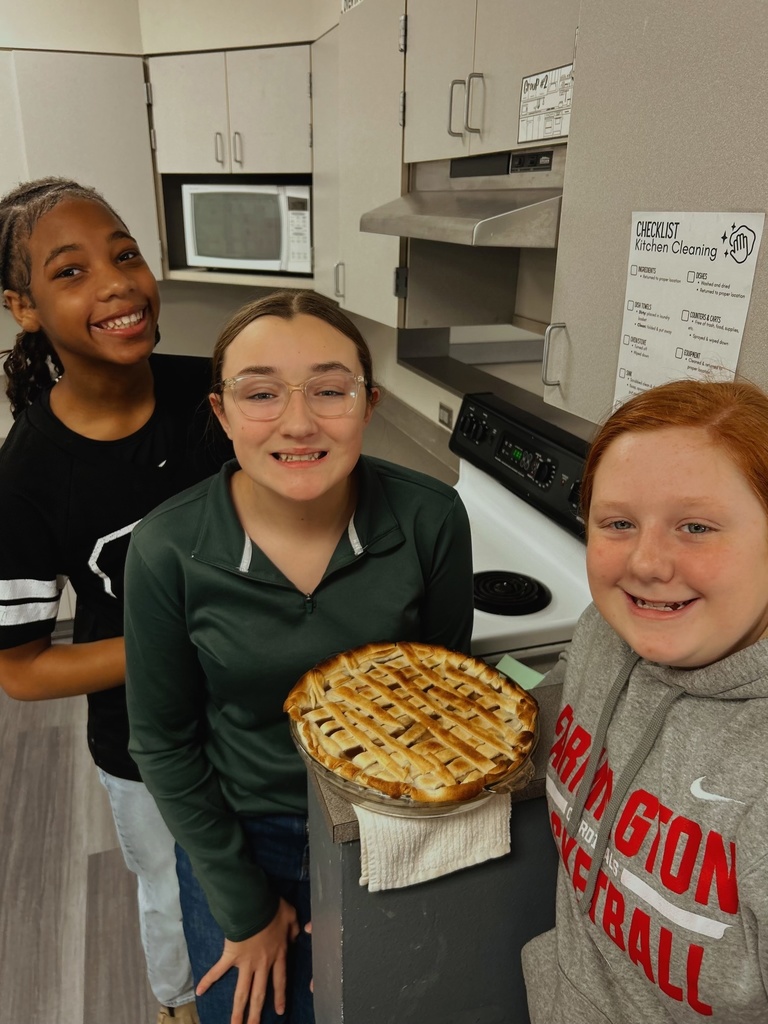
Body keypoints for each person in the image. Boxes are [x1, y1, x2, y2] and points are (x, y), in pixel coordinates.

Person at [123, 289, 475, 1024]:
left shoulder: (430, 518)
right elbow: (162, 741)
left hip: (388, 826)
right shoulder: (167, 548)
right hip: (240, 835)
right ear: (221, 412)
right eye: (261, 393)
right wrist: (245, 907)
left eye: (329, 389)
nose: (298, 421)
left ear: (368, 403)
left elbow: (444, 699)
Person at [0, 177, 232, 1024]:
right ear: (24, 308)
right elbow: (21, 670)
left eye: (125, 254)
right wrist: (179, 642)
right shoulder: (26, 478)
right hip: (144, 740)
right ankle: (178, 1005)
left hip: (255, 714)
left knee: (250, 877)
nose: (116, 283)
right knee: (170, 884)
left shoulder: (216, 396)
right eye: (71, 272)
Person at [522, 377, 768, 1023]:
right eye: (618, 523)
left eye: (696, 527)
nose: (646, 564)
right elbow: (555, 696)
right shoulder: (607, 635)